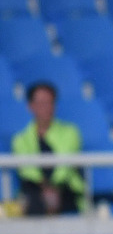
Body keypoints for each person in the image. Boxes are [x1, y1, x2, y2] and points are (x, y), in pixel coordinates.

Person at [11, 81, 85, 215]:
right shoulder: (20, 139)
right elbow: (27, 170)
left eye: (49, 102)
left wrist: (53, 187)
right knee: (33, 198)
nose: (45, 108)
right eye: (41, 103)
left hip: (64, 188)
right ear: (30, 106)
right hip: (35, 189)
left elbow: (64, 166)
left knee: (59, 198)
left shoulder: (70, 132)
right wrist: (44, 186)